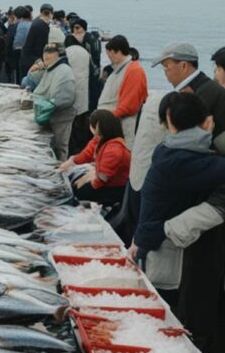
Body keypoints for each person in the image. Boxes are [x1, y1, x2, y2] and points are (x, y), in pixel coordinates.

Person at [131, 92, 225, 308]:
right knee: (168, 315)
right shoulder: (178, 160)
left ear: (169, 124)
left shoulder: (168, 151)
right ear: (208, 121)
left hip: (156, 248)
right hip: (163, 260)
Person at [59, 109, 130, 206]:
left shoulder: (114, 150)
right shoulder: (100, 138)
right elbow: (86, 155)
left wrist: (87, 183)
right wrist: (70, 162)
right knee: (73, 182)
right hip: (103, 178)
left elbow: (103, 178)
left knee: (75, 191)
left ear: (95, 127)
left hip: (113, 187)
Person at [97, 35, 148, 149]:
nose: (109, 58)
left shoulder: (134, 71)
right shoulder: (120, 69)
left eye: (109, 54)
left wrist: (104, 119)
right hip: (113, 127)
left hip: (123, 128)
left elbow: (130, 106)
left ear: (117, 52)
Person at [32, 44, 78, 160]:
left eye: (51, 52)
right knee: (53, 147)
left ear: (58, 55)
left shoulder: (64, 71)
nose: (46, 55)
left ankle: (61, 168)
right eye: (45, 52)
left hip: (61, 118)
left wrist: (51, 104)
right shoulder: (50, 69)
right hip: (49, 117)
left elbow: (67, 97)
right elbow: (32, 79)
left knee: (60, 147)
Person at [64, 35, 94, 156]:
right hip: (84, 92)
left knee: (71, 126)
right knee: (82, 122)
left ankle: (72, 150)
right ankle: (83, 150)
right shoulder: (85, 53)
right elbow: (92, 73)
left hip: (70, 91)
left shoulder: (66, 52)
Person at [71, 18, 102, 111]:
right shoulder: (85, 38)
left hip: (91, 72)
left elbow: (93, 57)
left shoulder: (88, 40)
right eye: (73, 28)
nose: (75, 31)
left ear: (84, 28)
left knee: (90, 98)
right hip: (89, 71)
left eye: (77, 28)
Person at [22, 3, 53, 80]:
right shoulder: (43, 26)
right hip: (34, 61)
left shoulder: (36, 22)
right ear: (51, 14)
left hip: (26, 59)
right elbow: (41, 47)